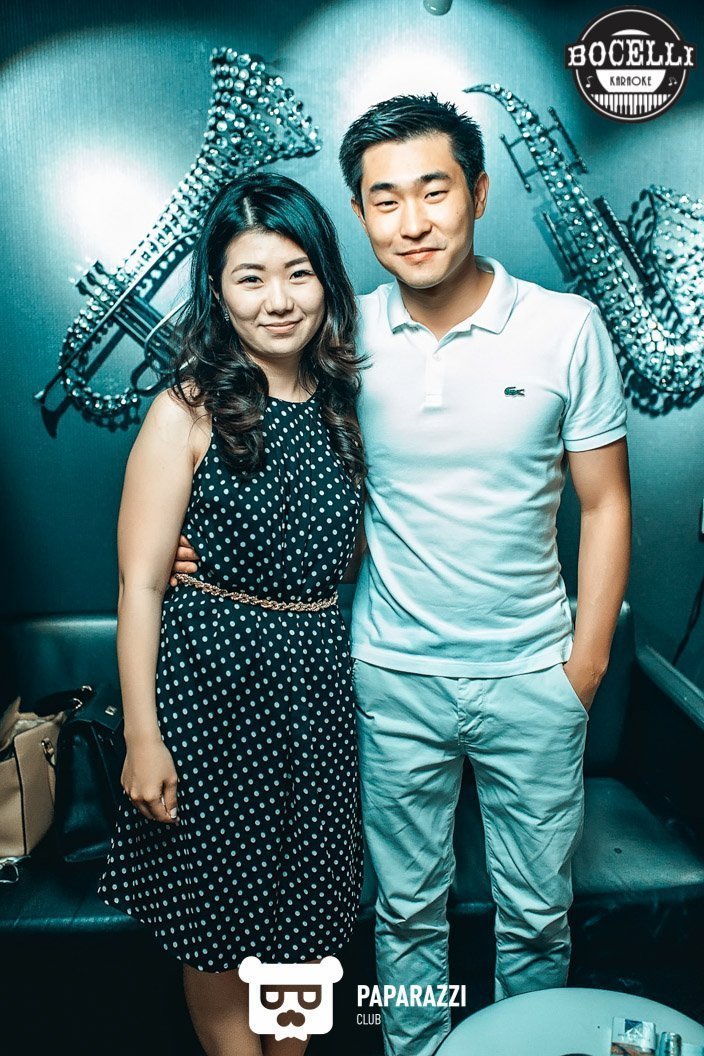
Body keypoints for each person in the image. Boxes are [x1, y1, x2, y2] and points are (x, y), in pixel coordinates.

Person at [175, 95, 632, 1056]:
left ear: (479, 192)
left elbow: (606, 504)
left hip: (533, 677)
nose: (412, 221)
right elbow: (279, 469)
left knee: (536, 918)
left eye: (435, 191)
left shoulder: (567, 327)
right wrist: (196, 555)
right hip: (390, 676)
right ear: (359, 213)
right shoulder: (338, 340)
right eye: (385, 200)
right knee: (406, 913)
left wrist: (583, 667)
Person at [97, 172, 365, 1056]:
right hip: (208, 703)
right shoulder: (188, 407)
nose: (277, 300)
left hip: (315, 702)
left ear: (326, 278)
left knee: (304, 924)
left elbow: (345, 554)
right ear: (217, 289)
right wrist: (143, 738)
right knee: (213, 927)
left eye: (297, 273)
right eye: (250, 277)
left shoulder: (343, 406)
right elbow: (139, 584)